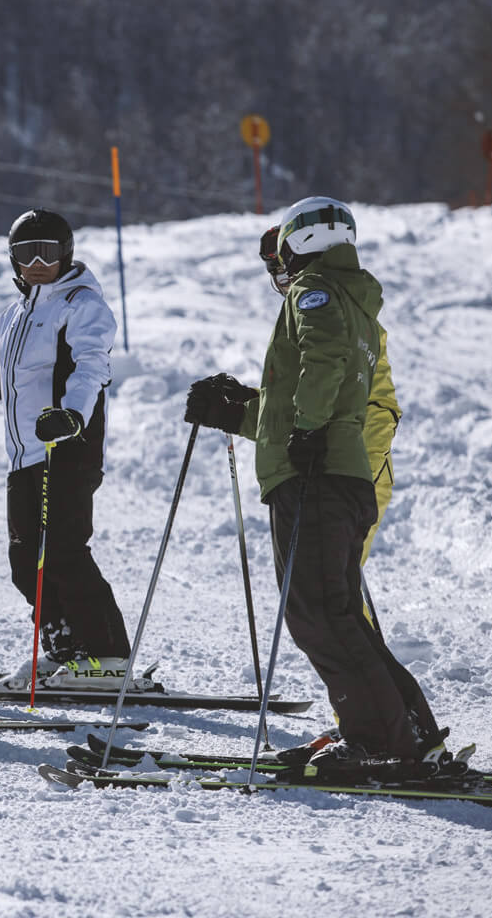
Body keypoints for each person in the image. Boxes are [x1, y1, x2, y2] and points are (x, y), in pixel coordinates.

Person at [185, 197, 446, 778]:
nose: (279, 273)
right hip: (332, 473)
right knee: (333, 612)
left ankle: (381, 739)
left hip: (322, 477)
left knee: (320, 615)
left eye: (279, 258)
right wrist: (238, 414)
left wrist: (305, 431)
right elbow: (312, 396)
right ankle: (405, 729)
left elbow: (326, 381)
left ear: (300, 244)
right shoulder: (350, 302)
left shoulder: (317, 294)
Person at [0, 209, 153, 693]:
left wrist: (72, 415)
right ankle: (65, 649)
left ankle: (108, 657)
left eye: (49, 251)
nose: (38, 263)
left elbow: (91, 367)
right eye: (27, 254)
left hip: (68, 447)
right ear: (13, 260)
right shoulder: (15, 314)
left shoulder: (81, 304)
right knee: (26, 561)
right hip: (24, 455)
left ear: (66, 253)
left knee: (65, 552)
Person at [259, 225, 401, 629]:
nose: (284, 283)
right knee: (334, 590)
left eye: (285, 270)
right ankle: (372, 685)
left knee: (334, 594)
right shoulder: (323, 312)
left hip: (356, 460)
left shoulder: (339, 312)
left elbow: (362, 401)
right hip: (344, 456)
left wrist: (330, 450)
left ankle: (375, 686)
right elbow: (300, 397)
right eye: (278, 276)